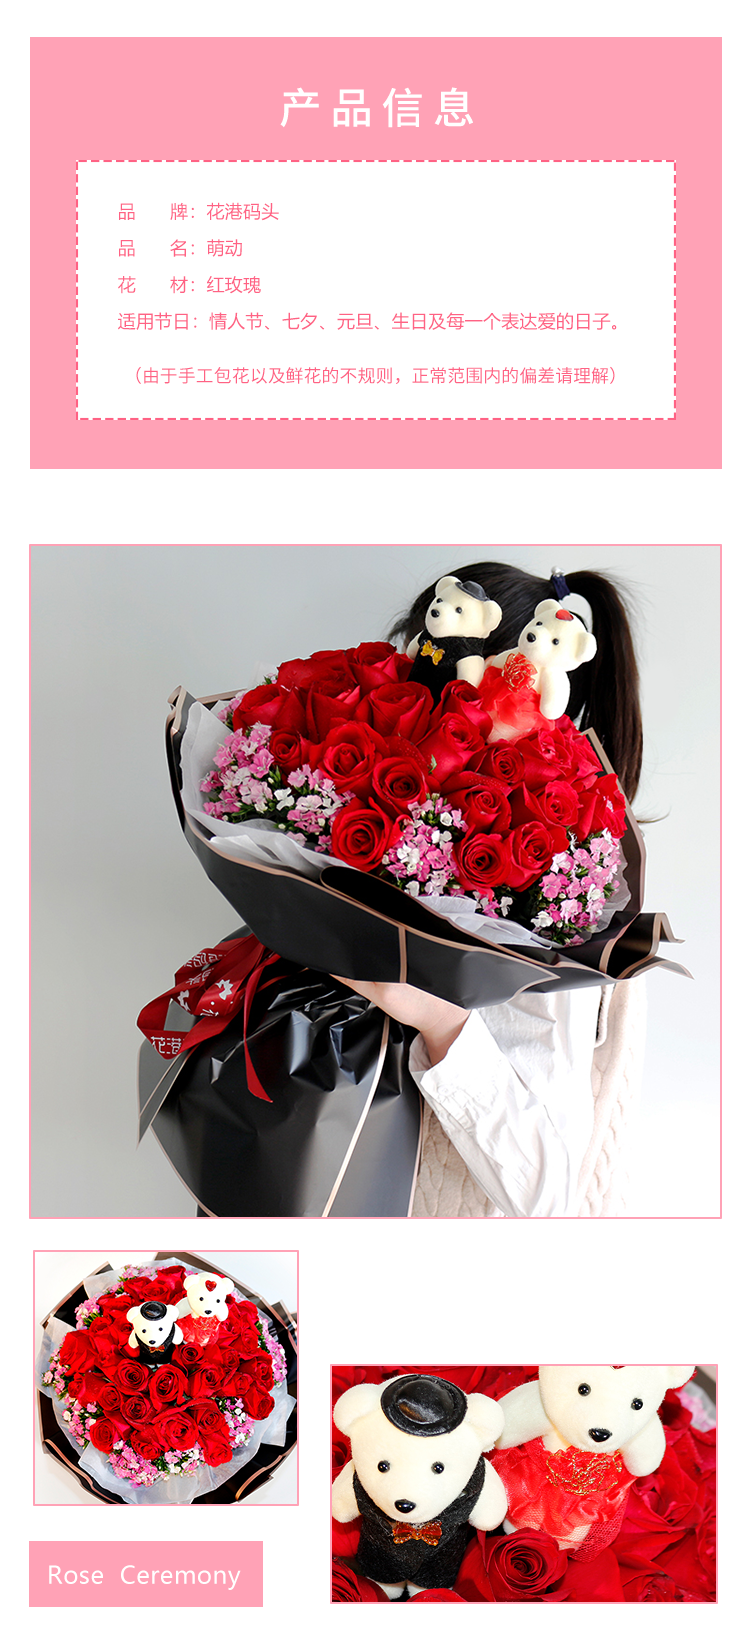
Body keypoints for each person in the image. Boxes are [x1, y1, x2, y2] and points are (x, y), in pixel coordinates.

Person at [336, 561, 646, 1219]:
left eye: (442, 678)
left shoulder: (557, 888)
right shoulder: (425, 839)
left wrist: (437, 1019)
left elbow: (542, 1192)